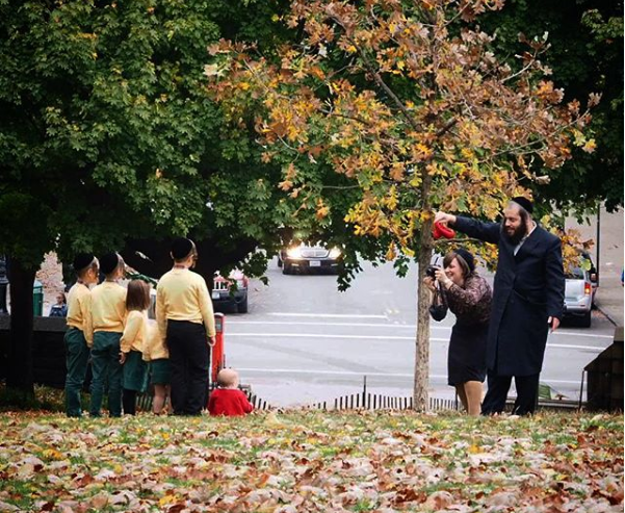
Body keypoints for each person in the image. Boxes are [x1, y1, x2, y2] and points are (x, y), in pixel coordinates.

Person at [435, 197, 565, 415]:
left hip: (530, 315)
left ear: (526, 219)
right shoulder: (505, 235)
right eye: (505, 220)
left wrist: (555, 311)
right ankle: (491, 412)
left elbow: (555, 280)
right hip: (502, 311)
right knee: (496, 364)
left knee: (526, 367)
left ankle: (523, 412)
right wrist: (452, 219)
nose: (507, 224)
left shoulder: (548, 243)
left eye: (512, 220)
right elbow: (479, 228)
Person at [424, 249, 492, 416]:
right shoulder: (448, 285)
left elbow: (470, 300)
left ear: (464, 267)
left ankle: (475, 415)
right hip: (463, 328)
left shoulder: (477, 282)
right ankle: (469, 412)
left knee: (472, 372)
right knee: (458, 373)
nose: (447, 270)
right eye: (445, 266)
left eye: (451, 266)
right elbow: (439, 314)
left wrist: (446, 283)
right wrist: (434, 291)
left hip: (484, 329)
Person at [156, 238, 216, 416]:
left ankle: (179, 407)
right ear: (191, 257)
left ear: (172, 255)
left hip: (173, 327)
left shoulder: (164, 280)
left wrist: (163, 335)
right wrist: (211, 332)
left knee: (177, 369)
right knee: (199, 369)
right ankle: (194, 407)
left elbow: (159, 312)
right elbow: (206, 308)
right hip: (193, 327)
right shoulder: (196, 280)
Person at [89, 252, 127, 417]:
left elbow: (89, 317)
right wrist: (125, 345)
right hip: (117, 335)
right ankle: (115, 411)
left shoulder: (94, 292)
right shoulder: (123, 293)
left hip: (99, 334)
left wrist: (90, 339)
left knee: (97, 376)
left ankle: (94, 410)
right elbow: (127, 319)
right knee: (115, 377)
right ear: (118, 270)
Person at [64, 253, 99, 417]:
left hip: (71, 333)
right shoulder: (85, 294)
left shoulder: (73, 289)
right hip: (79, 334)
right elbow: (87, 320)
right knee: (76, 377)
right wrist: (91, 342)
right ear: (90, 272)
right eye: (96, 270)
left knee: (73, 373)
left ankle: (72, 409)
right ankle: (73, 411)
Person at [119, 280, 150, 415]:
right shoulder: (138, 315)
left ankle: (130, 412)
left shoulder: (135, 314)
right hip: (135, 352)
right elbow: (128, 336)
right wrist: (124, 351)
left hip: (137, 352)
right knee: (130, 386)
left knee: (131, 385)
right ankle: (129, 412)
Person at [143, 317, 171, 415]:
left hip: (156, 361)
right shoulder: (171, 326)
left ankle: (156, 413)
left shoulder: (153, 327)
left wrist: (147, 357)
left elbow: (147, 343)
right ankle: (171, 412)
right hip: (170, 360)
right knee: (172, 393)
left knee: (158, 394)